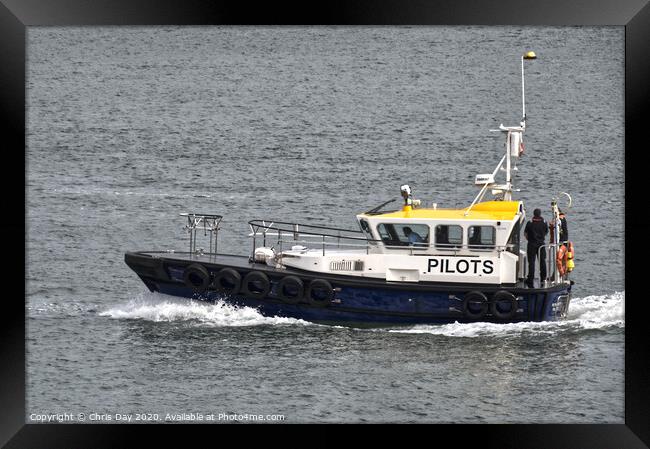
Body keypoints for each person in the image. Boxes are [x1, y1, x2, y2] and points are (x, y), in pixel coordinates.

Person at [524, 208, 548, 288]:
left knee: (531, 262)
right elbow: (546, 232)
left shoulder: (530, 223)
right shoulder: (544, 222)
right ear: (540, 214)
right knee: (542, 261)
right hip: (541, 244)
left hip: (531, 244)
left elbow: (525, 234)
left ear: (534, 214)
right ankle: (543, 278)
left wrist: (530, 239)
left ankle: (530, 278)